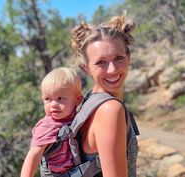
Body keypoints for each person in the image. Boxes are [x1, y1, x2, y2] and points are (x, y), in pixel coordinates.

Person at [70, 14, 139, 177]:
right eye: (101, 62)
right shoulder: (110, 109)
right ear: (86, 68)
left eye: (119, 58)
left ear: (128, 58)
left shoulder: (90, 99)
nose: (112, 69)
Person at [20, 67, 83, 177]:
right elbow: (34, 154)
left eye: (60, 98)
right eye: (48, 99)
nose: (53, 105)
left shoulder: (78, 116)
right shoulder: (48, 126)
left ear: (78, 99)